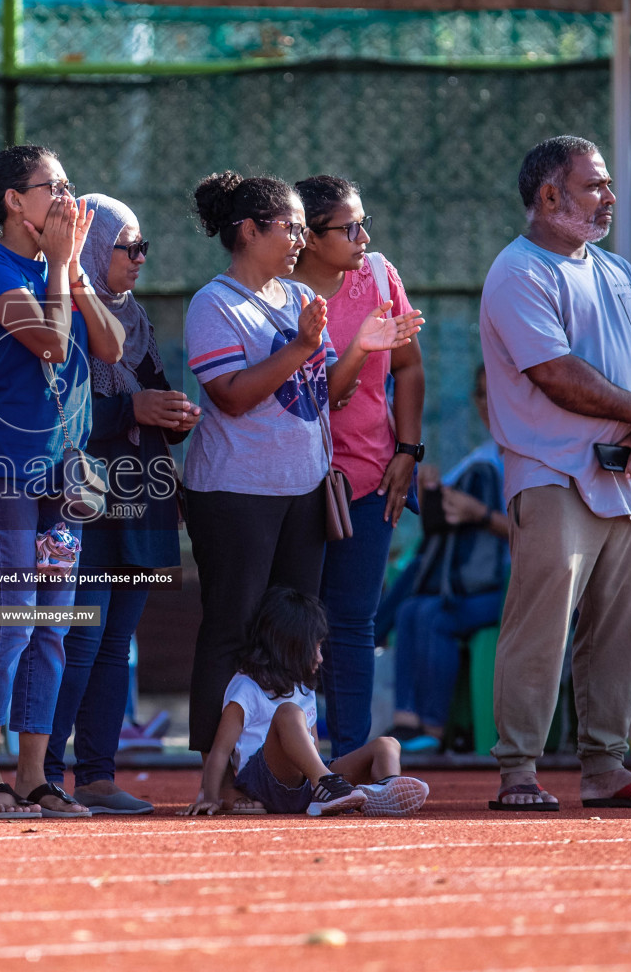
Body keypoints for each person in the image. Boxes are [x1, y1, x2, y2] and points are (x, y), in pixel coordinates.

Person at [183, 171, 419, 806]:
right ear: (249, 231)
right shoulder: (214, 303)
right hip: (235, 493)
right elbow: (231, 398)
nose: (296, 239)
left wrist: (361, 349)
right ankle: (218, 777)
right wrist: (305, 347)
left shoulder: (291, 298)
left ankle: (285, 772)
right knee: (233, 629)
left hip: (302, 490)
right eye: (286, 227)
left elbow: (325, 394)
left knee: (293, 633)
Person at [479, 136, 631, 812]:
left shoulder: (617, 271)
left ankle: (606, 767)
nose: (609, 198)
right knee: (540, 627)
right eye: (593, 185)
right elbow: (556, 375)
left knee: (624, 630)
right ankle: (519, 770)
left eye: (605, 185)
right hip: (552, 472)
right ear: (548, 197)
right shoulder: (517, 271)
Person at [0, 145, 126, 819]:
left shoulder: (66, 269)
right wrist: (60, 266)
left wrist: (74, 274)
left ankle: (34, 776)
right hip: (6, 471)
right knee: (14, 617)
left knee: (51, 624)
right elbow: (51, 343)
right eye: (50, 187)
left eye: (66, 185)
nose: (65, 199)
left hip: (63, 474)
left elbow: (110, 349)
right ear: (13, 202)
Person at [43, 193, 195, 816]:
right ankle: (45, 771)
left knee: (115, 642)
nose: (138, 259)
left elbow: (151, 387)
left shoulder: (133, 318)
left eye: (143, 248)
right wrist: (130, 408)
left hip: (139, 491)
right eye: (127, 247)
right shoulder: (65, 312)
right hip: (85, 498)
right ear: (95, 247)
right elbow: (56, 413)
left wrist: (173, 413)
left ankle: (98, 776)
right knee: (78, 638)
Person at [292, 175, 425, 758]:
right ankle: (291, 762)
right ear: (310, 238)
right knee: (288, 624)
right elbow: (315, 395)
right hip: (293, 481)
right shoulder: (274, 291)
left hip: (372, 477)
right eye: (349, 228)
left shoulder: (378, 275)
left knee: (352, 624)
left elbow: (410, 370)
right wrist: (357, 351)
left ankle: (349, 759)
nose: (364, 237)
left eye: (362, 222)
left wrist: (407, 453)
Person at [184, 586, 428, 817]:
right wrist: (211, 796)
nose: (321, 658)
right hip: (263, 783)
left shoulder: (303, 687)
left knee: (388, 744)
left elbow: (312, 748)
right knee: (289, 712)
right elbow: (220, 751)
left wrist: (322, 774)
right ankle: (328, 786)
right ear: (291, 647)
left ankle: (386, 792)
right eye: (317, 647)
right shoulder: (246, 687)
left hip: (309, 783)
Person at [383, 366, 510, 752]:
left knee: (435, 615)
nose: (492, 405)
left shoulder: (534, 456)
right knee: (411, 611)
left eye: (501, 392)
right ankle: (408, 722)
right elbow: (440, 525)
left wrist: (482, 516)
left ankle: (434, 732)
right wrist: (431, 492)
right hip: (476, 583)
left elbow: (542, 539)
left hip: (517, 588)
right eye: (484, 395)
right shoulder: (483, 457)